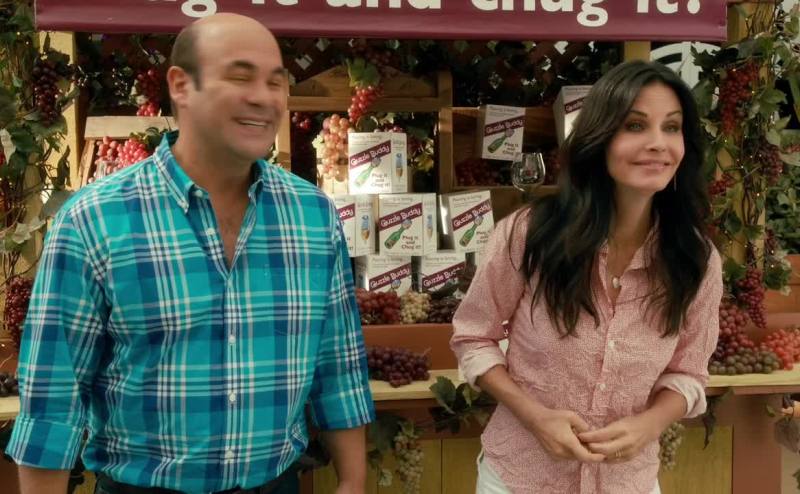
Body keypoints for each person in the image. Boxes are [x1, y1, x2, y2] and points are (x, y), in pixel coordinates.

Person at [7, 13, 374, 494]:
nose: (264, 97)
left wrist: (352, 481)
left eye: (276, 82)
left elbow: (338, 365)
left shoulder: (313, 216)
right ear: (181, 85)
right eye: (240, 77)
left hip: (277, 484)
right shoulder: (94, 220)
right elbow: (54, 399)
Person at [451, 60, 723, 494]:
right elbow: (473, 337)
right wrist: (535, 418)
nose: (658, 143)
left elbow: (689, 372)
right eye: (635, 125)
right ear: (600, 137)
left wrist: (649, 424)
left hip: (628, 482)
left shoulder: (696, 260)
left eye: (672, 128)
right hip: (521, 478)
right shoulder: (530, 235)